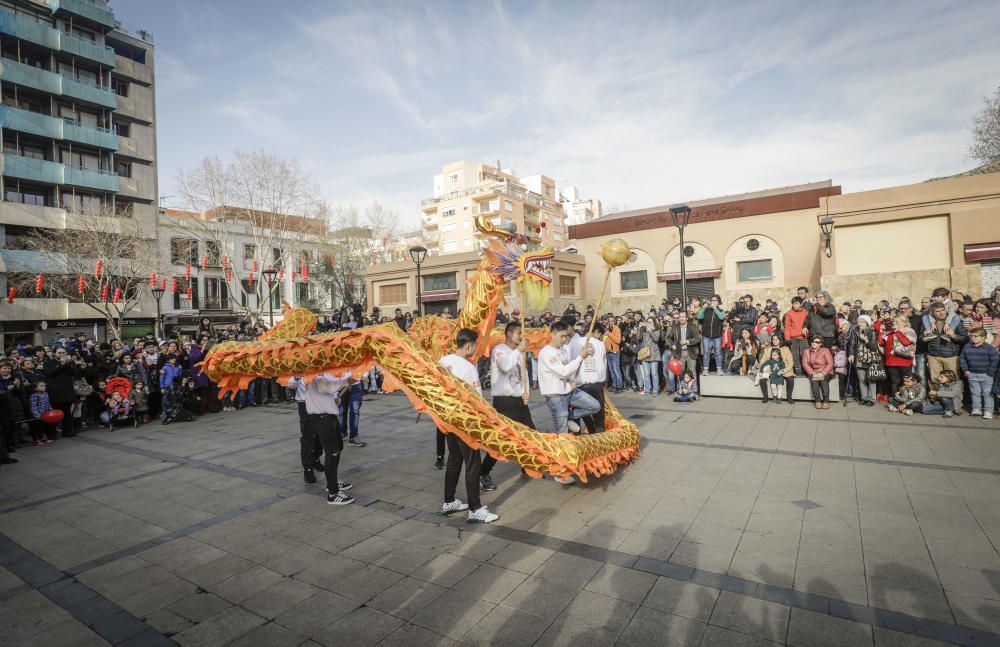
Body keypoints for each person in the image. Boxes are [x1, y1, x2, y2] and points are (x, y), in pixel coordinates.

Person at [439, 328, 498, 523]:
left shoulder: (442, 362)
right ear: (468, 346)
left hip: (448, 420)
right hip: (466, 423)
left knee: (455, 459)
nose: (476, 349)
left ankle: (449, 501)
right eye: (476, 345)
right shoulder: (468, 367)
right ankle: (475, 508)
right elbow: (477, 400)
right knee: (473, 463)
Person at [538, 321, 600, 483]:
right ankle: (561, 472)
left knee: (594, 406)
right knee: (562, 434)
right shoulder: (546, 353)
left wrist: (572, 380)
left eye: (566, 336)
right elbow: (562, 370)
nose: (564, 339)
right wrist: (580, 357)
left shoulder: (563, 351)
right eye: (561, 336)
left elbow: (568, 373)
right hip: (556, 396)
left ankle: (571, 417)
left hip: (569, 391)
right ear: (552, 334)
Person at [488, 321, 536, 489]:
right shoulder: (499, 350)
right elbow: (506, 366)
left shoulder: (519, 352)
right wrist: (518, 351)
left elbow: (524, 374)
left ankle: (528, 466)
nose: (521, 337)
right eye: (518, 333)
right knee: (503, 440)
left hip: (519, 400)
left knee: (530, 433)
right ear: (508, 333)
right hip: (504, 401)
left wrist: (526, 392)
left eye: (521, 334)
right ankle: (483, 472)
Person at [300, 370, 355, 505]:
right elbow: (325, 387)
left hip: (329, 414)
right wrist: (347, 379)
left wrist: (335, 397)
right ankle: (333, 493)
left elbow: (329, 390)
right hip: (322, 417)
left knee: (338, 448)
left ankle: (333, 481)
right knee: (332, 452)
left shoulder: (323, 370)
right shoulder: (313, 370)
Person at [922, 302, 968, 384]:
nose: (941, 313)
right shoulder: (928, 323)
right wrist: (924, 336)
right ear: (932, 313)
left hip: (951, 356)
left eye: (943, 310)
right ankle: (937, 397)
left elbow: (965, 339)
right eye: (938, 311)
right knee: (935, 381)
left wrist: (954, 336)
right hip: (934, 356)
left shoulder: (955, 321)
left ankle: (955, 397)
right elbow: (921, 338)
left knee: (953, 380)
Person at [960, 328, 999, 419]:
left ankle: (988, 411)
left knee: (987, 393)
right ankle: (976, 409)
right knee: (975, 393)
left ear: (983, 337)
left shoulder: (990, 348)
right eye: (971, 336)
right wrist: (966, 370)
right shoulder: (967, 347)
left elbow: (995, 360)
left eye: (975, 336)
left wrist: (990, 372)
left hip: (986, 375)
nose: (972, 338)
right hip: (972, 374)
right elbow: (962, 359)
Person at [876, 314, 916, 397]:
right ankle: (895, 400)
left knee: (906, 381)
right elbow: (881, 343)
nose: (894, 323)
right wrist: (881, 331)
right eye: (894, 321)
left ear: (904, 323)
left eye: (897, 322)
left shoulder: (909, 331)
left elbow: (907, 342)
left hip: (904, 361)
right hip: (891, 361)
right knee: (894, 382)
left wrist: (898, 332)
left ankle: (907, 399)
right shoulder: (890, 332)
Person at [578, 323, 608, 434]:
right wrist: (604, 380)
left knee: (584, 408)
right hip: (596, 381)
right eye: (599, 334)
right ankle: (599, 430)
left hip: (582, 382)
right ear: (596, 331)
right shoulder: (600, 344)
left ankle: (591, 429)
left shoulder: (576, 342)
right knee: (599, 410)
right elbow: (604, 363)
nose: (599, 337)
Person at [848, 315, 881, 407]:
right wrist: (851, 354)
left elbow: (874, 347)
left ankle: (871, 398)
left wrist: (866, 340)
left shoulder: (872, 331)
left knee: (871, 379)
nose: (860, 324)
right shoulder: (855, 332)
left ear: (867, 322)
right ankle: (864, 397)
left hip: (870, 358)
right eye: (859, 322)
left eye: (862, 322)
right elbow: (851, 344)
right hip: (859, 357)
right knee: (861, 379)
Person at [664, 310, 701, 387]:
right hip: (679, 353)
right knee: (680, 373)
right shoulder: (675, 327)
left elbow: (697, 338)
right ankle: (682, 390)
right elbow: (667, 338)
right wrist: (672, 345)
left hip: (691, 352)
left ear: (687, 318)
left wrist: (687, 341)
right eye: (680, 317)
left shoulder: (692, 326)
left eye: (683, 317)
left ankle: (693, 390)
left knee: (692, 372)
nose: (681, 318)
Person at [757, 335, 795, 403]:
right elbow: (763, 361)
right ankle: (765, 397)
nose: (774, 341)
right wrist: (766, 368)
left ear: (780, 340)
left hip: (783, 368)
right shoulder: (768, 349)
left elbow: (791, 362)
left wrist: (785, 370)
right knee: (762, 379)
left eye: (776, 339)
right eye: (773, 339)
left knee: (790, 379)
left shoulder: (785, 349)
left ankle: (789, 398)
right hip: (771, 369)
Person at [802, 336, 834, 409]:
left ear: (820, 344)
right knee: (814, 381)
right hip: (814, 372)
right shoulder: (806, 351)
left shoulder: (825, 350)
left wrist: (823, 373)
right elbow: (805, 364)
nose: (814, 343)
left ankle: (826, 401)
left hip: (826, 371)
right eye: (813, 341)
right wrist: (812, 373)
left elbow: (830, 364)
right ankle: (817, 400)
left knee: (823, 381)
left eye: (817, 342)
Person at [697, 295, 726, 375]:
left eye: (715, 300)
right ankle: (706, 370)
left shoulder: (721, 310)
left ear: (719, 302)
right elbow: (699, 317)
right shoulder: (706, 310)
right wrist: (703, 308)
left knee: (718, 353)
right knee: (706, 353)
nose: (713, 301)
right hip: (706, 336)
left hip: (717, 336)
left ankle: (719, 369)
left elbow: (721, 317)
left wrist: (715, 309)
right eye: (712, 300)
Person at [637, 317, 661, 395]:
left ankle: (655, 390)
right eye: (648, 322)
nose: (649, 323)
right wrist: (639, 329)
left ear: (654, 323)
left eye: (651, 322)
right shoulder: (644, 330)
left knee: (654, 374)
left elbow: (656, 339)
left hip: (654, 354)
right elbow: (638, 338)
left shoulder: (657, 330)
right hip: (645, 354)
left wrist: (651, 331)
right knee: (646, 374)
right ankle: (647, 389)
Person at [29, 381, 57, 445]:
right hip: (38, 415)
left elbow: (48, 402)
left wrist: (50, 410)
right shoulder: (34, 396)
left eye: (44, 385)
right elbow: (33, 406)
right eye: (41, 386)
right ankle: (37, 440)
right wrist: (37, 415)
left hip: (46, 413)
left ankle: (45, 438)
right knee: (38, 427)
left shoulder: (46, 393)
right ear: (35, 388)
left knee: (45, 426)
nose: (44, 386)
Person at [603, 317, 623, 392]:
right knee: (611, 370)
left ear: (614, 321)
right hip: (608, 352)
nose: (611, 322)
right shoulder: (606, 329)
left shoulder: (617, 329)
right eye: (609, 321)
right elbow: (604, 339)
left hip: (615, 352)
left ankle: (619, 386)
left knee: (616, 369)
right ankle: (614, 385)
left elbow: (618, 340)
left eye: (612, 321)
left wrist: (609, 334)